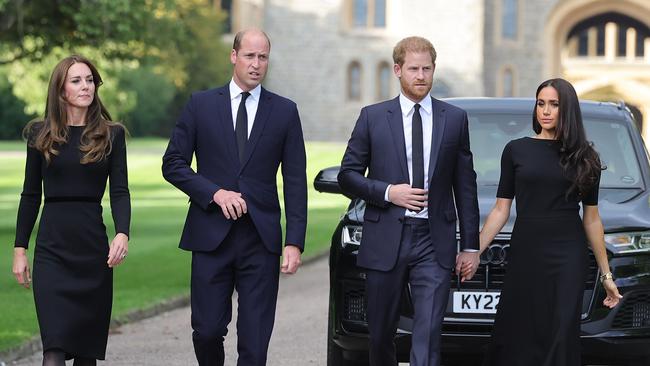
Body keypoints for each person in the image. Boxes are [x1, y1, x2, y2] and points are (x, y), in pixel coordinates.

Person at [161, 28, 307, 366]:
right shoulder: (201, 105)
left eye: (263, 57)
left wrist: (294, 242)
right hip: (211, 235)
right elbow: (172, 164)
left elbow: (295, 181)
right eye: (249, 56)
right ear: (234, 56)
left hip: (261, 239)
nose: (256, 64)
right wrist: (214, 193)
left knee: (255, 345)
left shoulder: (285, 111)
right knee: (208, 331)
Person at [338, 36, 480, 366]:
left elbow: (465, 185)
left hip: (434, 240)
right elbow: (348, 175)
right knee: (381, 332)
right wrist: (389, 193)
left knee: (428, 333)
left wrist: (470, 246)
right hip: (386, 236)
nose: (421, 76)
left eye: (427, 69)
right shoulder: (373, 117)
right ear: (398, 70)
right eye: (413, 69)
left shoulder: (454, 119)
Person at [479, 78, 622, 366]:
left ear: (567, 109)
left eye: (554, 104)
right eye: (541, 103)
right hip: (526, 250)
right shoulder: (516, 150)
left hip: (568, 254)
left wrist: (607, 276)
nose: (545, 111)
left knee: (561, 330)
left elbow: (592, 219)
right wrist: (474, 251)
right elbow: (500, 210)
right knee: (519, 328)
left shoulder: (586, 157)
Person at [11, 55, 130, 366]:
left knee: (86, 355)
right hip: (52, 250)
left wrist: (122, 232)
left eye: (89, 80)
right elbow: (30, 194)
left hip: (92, 250)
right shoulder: (39, 133)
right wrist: (20, 249)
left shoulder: (112, 134)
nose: (86, 86)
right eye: (76, 81)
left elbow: (119, 191)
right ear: (61, 90)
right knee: (53, 350)